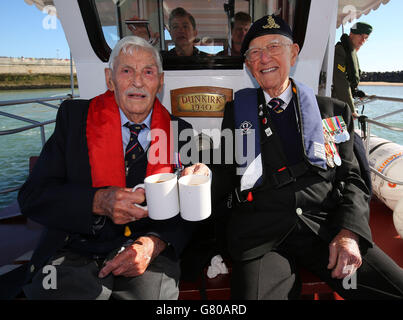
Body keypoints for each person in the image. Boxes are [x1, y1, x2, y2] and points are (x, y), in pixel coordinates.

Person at [211, 14, 403, 300]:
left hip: (327, 230)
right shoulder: (236, 114)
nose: (264, 58)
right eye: (255, 53)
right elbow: (223, 175)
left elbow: (353, 178)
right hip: (264, 240)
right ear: (249, 65)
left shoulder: (333, 111)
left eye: (274, 47)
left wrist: (349, 232)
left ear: (294, 52)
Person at [17, 36, 209, 300]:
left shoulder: (181, 132)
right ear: (110, 78)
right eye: (127, 71)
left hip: (147, 254)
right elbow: (33, 196)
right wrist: (96, 201)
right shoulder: (73, 120)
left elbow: (189, 215)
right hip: (74, 247)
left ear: (160, 81)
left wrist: (154, 243)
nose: (138, 81)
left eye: (148, 72)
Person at [332, 22, 372, 118]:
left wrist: (355, 91)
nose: (363, 40)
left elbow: (349, 77)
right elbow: (341, 82)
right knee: (342, 131)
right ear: (351, 34)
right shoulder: (340, 51)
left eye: (366, 38)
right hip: (335, 104)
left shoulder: (351, 52)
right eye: (361, 36)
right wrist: (351, 110)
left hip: (341, 102)